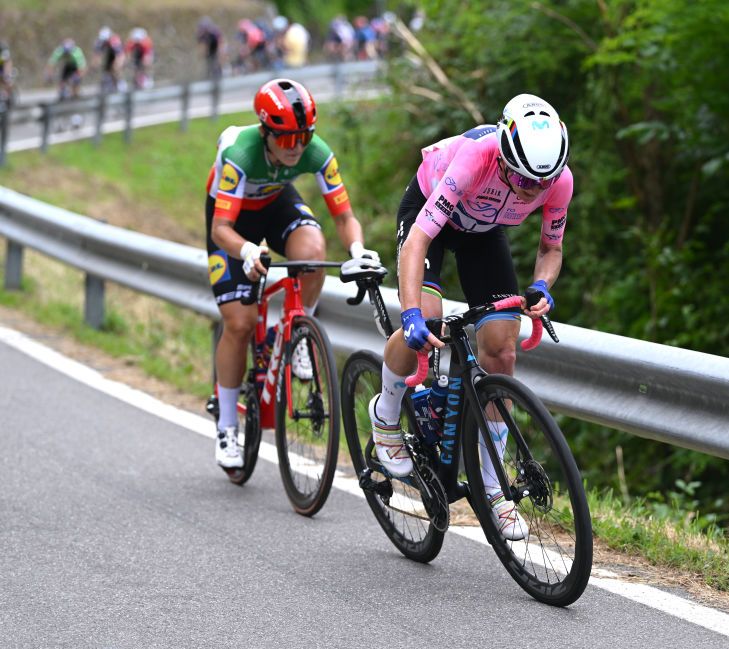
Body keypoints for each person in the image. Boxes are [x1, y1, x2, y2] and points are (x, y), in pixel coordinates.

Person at [369, 94, 572, 540]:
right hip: (431, 217)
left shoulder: (556, 180)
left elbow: (550, 249)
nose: (531, 191)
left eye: (542, 183)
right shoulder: (475, 158)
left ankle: (493, 486)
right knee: (426, 317)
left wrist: (541, 286)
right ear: (504, 154)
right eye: (522, 178)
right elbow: (420, 239)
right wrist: (409, 315)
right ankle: (385, 414)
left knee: (501, 350)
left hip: (484, 234)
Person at [206, 78, 383, 468]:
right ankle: (227, 426)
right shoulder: (241, 153)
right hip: (232, 221)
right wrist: (248, 249)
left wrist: (357, 250)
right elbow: (222, 228)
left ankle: (299, 330)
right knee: (239, 322)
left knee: (313, 250)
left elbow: (344, 215)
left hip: (274, 201)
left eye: (304, 137)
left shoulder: (314, 152)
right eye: (286, 140)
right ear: (266, 132)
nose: (297, 148)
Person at [92, 26, 125, 94]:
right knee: (107, 68)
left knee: (116, 68)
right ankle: (106, 84)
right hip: (109, 54)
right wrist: (95, 65)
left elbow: (120, 56)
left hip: (117, 54)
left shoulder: (115, 41)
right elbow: (97, 55)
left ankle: (120, 83)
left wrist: (117, 65)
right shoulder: (99, 41)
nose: (105, 42)